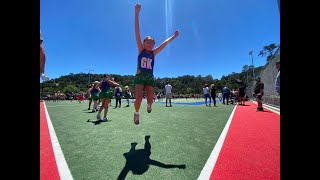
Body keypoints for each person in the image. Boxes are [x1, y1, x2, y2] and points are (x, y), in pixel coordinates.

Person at [133, 3, 179, 125]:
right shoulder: (141, 50)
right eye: (147, 42)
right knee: (138, 97)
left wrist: (173, 37)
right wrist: (137, 13)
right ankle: (136, 113)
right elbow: (137, 32)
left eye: (151, 43)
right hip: (139, 77)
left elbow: (164, 44)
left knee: (150, 99)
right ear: (143, 43)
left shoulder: (153, 53)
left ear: (153, 45)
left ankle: (149, 105)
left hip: (149, 77)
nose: (149, 44)